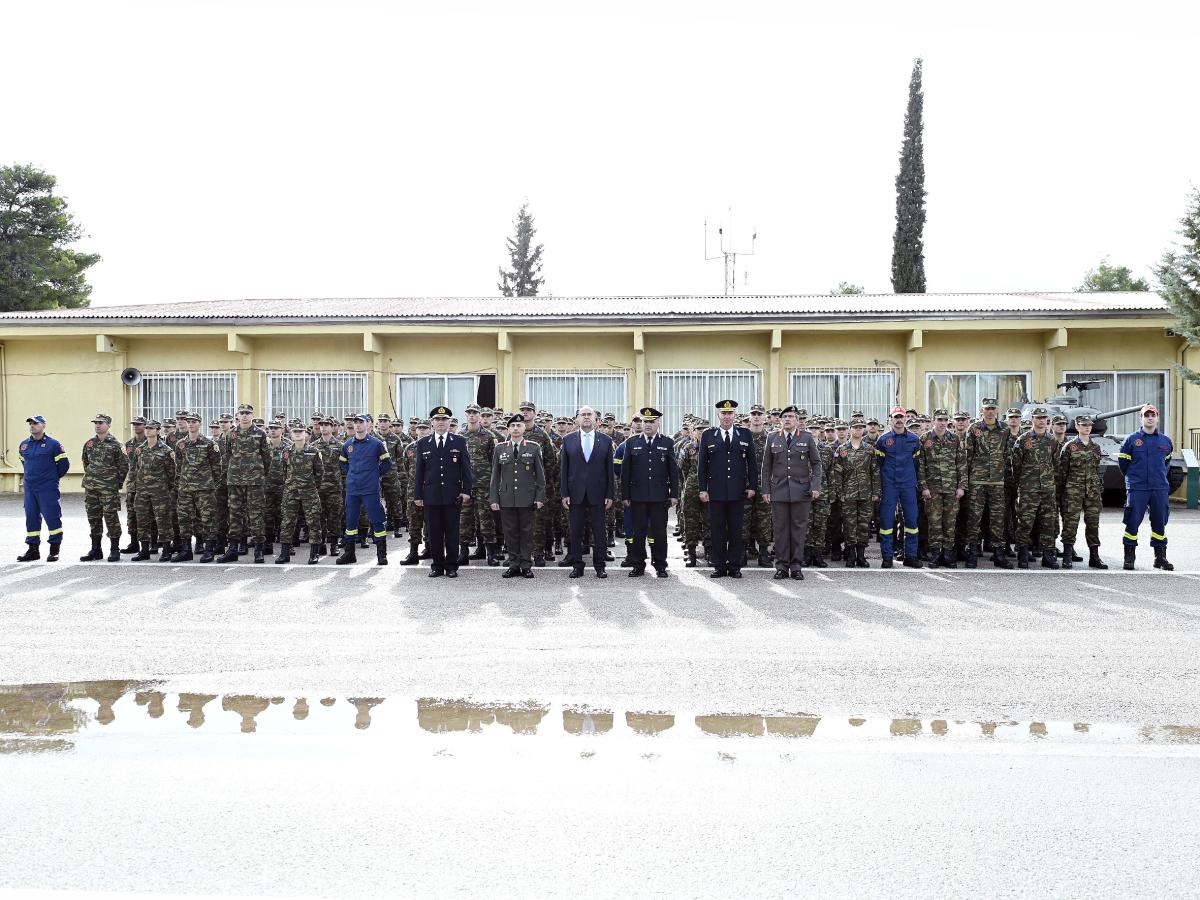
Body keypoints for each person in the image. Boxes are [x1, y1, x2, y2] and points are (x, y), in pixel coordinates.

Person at [697, 400, 758, 578]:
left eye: (730, 413)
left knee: (736, 530)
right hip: (715, 492)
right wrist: (703, 488)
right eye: (723, 413)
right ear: (718, 415)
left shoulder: (745, 435)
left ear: (734, 415)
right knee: (717, 530)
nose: (726, 416)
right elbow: (702, 466)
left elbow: (752, 463)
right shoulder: (709, 435)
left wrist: (752, 486)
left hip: (738, 492)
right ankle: (719, 566)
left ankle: (734, 566)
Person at [760, 405, 822, 580]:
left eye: (791, 416)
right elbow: (766, 467)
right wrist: (766, 489)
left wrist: (815, 486)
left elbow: (817, 464)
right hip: (778, 490)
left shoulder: (807, 437)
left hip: (801, 491)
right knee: (780, 530)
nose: (787, 419)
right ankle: (781, 566)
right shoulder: (772, 438)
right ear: (780, 420)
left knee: (798, 529)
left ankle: (796, 566)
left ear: (797, 420)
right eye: (784, 416)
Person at [620, 407, 680, 578]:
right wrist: (625, 495)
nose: (647, 425)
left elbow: (673, 471)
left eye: (651, 421)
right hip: (637, 497)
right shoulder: (631, 442)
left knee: (659, 532)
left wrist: (674, 494)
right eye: (645, 421)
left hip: (659, 497)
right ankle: (638, 565)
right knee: (638, 533)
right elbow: (626, 472)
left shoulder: (667, 442)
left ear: (658, 423)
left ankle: (660, 564)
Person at [413, 406, 473, 577]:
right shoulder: (423, 443)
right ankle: (437, 565)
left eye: (444, 419)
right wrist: (418, 495)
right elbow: (419, 471)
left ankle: (452, 566)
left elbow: (466, 469)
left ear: (449, 422)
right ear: (432, 423)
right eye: (437, 420)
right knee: (434, 532)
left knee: (452, 532)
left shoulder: (459, 441)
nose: (441, 422)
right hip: (431, 496)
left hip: (452, 495)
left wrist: (466, 490)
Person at [560, 405, 615, 578]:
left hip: (598, 493)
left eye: (589, 414)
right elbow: (564, 469)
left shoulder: (605, 441)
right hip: (575, 492)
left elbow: (609, 470)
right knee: (575, 531)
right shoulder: (568, 440)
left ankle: (600, 565)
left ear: (596, 419)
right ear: (577, 419)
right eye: (582, 414)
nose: (586, 417)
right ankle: (577, 565)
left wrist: (610, 494)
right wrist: (564, 493)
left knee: (599, 531)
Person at [489, 413, 546, 577]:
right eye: (513, 426)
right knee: (510, 532)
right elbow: (495, 475)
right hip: (506, 498)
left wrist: (540, 497)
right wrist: (493, 498)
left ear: (524, 428)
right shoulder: (500, 448)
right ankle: (513, 564)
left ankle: (526, 565)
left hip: (527, 497)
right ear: (508, 429)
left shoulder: (533, 447)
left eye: (519, 425)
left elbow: (540, 475)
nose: (516, 428)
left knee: (527, 532)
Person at [1118, 403, 1174, 571]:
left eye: (1153, 415)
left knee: (1159, 522)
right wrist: (1134, 479)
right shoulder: (1131, 440)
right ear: (1141, 418)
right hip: (1138, 487)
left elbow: (1166, 462)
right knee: (1132, 522)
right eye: (1146, 415)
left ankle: (1160, 557)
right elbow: (1123, 464)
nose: (1150, 418)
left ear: (1157, 418)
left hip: (1159, 488)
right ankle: (1129, 557)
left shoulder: (1165, 441)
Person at [217, 404, 272, 563]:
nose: (245, 416)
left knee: (256, 515)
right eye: (242, 413)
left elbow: (266, 458)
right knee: (235, 515)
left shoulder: (260, 434)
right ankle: (233, 549)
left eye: (248, 413)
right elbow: (227, 456)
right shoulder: (231, 434)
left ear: (252, 415)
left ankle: (258, 551)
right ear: (238, 416)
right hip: (235, 481)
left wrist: (259, 474)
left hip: (255, 481)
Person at [964, 399, 1014, 569]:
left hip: (997, 481)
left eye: (993, 409)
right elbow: (968, 456)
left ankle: (998, 553)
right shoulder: (974, 429)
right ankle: (972, 552)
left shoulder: (1005, 429)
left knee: (998, 518)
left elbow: (1008, 455)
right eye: (987, 409)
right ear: (982, 410)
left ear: (997, 410)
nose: (990, 412)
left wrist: (1005, 477)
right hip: (977, 481)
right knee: (974, 518)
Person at [337, 413, 392, 566]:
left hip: (370, 489)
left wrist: (374, 475)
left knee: (377, 521)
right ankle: (349, 554)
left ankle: (381, 555)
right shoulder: (347, 444)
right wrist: (352, 474)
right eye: (356, 422)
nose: (358, 425)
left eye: (361, 422)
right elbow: (343, 463)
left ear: (368, 424)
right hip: (353, 490)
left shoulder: (377, 444)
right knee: (350, 522)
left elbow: (387, 463)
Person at [1011, 407, 1061, 569]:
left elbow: (1056, 464)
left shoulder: (1052, 440)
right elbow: (1016, 465)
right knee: (1025, 522)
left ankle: (1048, 555)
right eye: (1038, 418)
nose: (1041, 420)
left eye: (1044, 418)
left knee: (1048, 523)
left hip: (1047, 488)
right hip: (1028, 489)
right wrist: (1022, 484)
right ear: (1032, 419)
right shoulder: (1023, 440)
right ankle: (1023, 554)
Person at [17, 414, 70, 562]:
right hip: (30, 488)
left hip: (47, 488)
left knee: (52, 517)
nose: (32, 426)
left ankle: (54, 550)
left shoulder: (53, 444)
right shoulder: (24, 445)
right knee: (31, 518)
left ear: (43, 426)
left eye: (35, 423)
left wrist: (51, 479)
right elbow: (24, 462)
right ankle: (33, 550)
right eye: (30, 424)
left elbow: (64, 465)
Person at [1057, 414, 1107, 570]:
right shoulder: (1069, 447)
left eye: (1089, 425)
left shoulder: (1096, 447)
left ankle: (1094, 556)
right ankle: (1067, 555)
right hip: (1073, 491)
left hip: (1092, 492)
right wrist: (1062, 492)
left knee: (1093, 524)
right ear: (1077, 427)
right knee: (1070, 524)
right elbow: (1062, 472)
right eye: (1083, 425)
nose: (1087, 427)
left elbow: (1096, 469)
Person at [918, 409, 966, 568]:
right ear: (933, 421)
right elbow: (921, 465)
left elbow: (961, 464)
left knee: (950, 523)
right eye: (939, 419)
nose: (942, 423)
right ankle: (936, 554)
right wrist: (924, 487)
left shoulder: (955, 439)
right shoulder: (924, 439)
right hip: (933, 490)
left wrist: (961, 486)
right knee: (934, 523)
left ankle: (948, 554)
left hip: (952, 489)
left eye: (945, 420)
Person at [876, 405, 922, 568]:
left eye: (901, 417)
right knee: (887, 521)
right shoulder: (882, 440)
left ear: (906, 419)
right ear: (891, 420)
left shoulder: (914, 440)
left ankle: (910, 556)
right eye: (896, 417)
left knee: (911, 520)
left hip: (908, 485)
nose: (899, 420)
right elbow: (879, 463)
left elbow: (916, 462)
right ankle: (887, 557)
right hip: (890, 486)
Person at [79, 413, 129, 563]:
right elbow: (86, 463)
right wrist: (93, 478)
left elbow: (124, 466)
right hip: (91, 487)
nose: (97, 425)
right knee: (93, 518)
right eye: (96, 423)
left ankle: (115, 549)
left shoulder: (116, 444)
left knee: (111, 518)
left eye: (101, 422)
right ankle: (96, 549)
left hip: (108, 488)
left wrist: (115, 483)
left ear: (108, 425)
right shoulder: (89, 444)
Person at [172, 411, 221, 563]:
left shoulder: (209, 444)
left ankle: (209, 550)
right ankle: (186, 550)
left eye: (194, 421)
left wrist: (210, 485)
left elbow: (216, 468)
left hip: (204, 489)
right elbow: (179, 466)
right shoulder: (181, 444)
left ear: (200, 423)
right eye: (189, 421)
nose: (191, 424)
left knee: (207, 519)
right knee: (184, 519)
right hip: (185, 489)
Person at [275, 425, 325, 564]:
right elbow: (283, 470)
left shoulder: (313, 451)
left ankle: (314, 553)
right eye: (295, 432)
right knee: (287, 522)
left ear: (305, 434)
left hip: (309, 492)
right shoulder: (286, 451)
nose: (297, 434)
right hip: (291, 491)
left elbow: (319, 473)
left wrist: (312, 487)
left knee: (313, 521)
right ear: (291, 434)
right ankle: (285, 553)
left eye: (300, 432)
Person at [459, 403, 500, 567]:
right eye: (469, 412)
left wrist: (494, 485)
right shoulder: (459, 436)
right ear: (466, 415)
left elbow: (495, 462)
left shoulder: (489, 436)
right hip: (465, 486)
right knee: (464, 520)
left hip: (484, 484)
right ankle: (463, 553)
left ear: (479, 415)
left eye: (475, 413)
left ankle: (491, 553)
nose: (472, 415)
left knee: (486, 520)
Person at [130, 421, 176, 561]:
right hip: (142, 491)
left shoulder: (166, 450)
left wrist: (165, 488)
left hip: (160, 492)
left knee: (163, 520)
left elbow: (172, 473)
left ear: (158, 431)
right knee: (142, 520)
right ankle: (144, 549)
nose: (148, 430)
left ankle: (166, 549)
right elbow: (135, 469)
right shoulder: (139, 449)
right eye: (147, 428)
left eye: (151, 428)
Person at [836, 418, 877, 568]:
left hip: (866, 492)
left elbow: (875, 472)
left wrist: (876, 491)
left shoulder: (869, 449)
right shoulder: (842, 449)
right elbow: (837, 473)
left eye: (861, 427)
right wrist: (839, 492)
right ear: (850, 429)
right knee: (849, 524)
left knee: (864, 524)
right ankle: (851, 554)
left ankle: (861, 555)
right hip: (848, 493)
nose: (858, 430)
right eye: (855, 427)